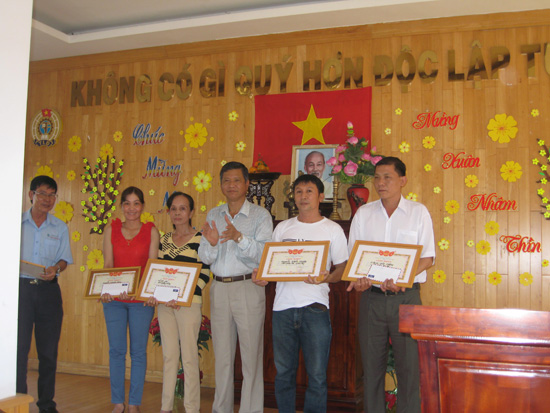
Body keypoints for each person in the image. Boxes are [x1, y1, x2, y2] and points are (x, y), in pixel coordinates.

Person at [253, 174, 348, 413]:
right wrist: (262, 277)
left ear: (321, 196)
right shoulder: (282, 228)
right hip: (282, 309)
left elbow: (342, 269)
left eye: (309, 191)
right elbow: (271, 266)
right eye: (298, 192)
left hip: (315, 308)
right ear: (293, 196)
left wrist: (327, 277)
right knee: (283, 374)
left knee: (317, 376)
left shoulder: (332, 229)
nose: (303, 196)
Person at [347, 156, 435, 413]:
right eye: (377, 177)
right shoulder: (364, 213)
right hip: (372, 300)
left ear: (403, 180)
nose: (380, 183)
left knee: (410, 370)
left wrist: (402, 278)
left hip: (406, 300)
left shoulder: (418, 212)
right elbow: (355, 259)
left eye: (387, 177)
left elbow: (428, 258)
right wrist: (359, 279)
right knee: (371, 370)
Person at [198, 161, 273, 413]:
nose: (231, 185)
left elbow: (264, 255)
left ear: (247, 184)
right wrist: (212, 244)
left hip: (248, 286)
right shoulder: (213, 215)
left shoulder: (260, 216)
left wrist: (239, 237)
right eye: (226, 180)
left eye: (236, 180)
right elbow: (205, 257)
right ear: (221, 185)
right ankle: (221, 409)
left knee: (251, 357)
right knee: (222, 357)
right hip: (219, 288)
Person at [147, 192, 210, 413]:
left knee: (190, 357)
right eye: (173, 208)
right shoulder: (164, 240)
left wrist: (182, 297)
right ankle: (166, 408)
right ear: (169, 212)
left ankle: (192, 408)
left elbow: (205, 273)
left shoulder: (201, 239)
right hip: (165, 306)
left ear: (191, 212)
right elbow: (157, 272)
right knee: (169, 357)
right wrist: (155, 293)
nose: (177, 213)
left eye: (182, 208)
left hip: (189, 304)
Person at [101, 186, 160, 413]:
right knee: (116, 351)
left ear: (142, 206)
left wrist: (145, 293)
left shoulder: (151, 231)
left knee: (138, 353)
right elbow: (108, 265)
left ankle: (134, 404)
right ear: (122, 206)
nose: (131, 208)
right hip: (114, 301)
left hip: (141, 303)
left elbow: (152, 268)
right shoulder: (111, 229)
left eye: (136, 203)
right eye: (127, 203)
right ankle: (118, 403)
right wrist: (106, 290)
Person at [18, 176, 73, 413]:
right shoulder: (15, 223)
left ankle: (47, 404)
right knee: (19, 350)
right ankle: (17, 401)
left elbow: (64, 260)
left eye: (52, 195)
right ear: (31, 195)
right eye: (42, 194)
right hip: (20, 291)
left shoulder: (60, 227)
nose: (47, 200)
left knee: (48, 352)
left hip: (49, 292)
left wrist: (56, 269)